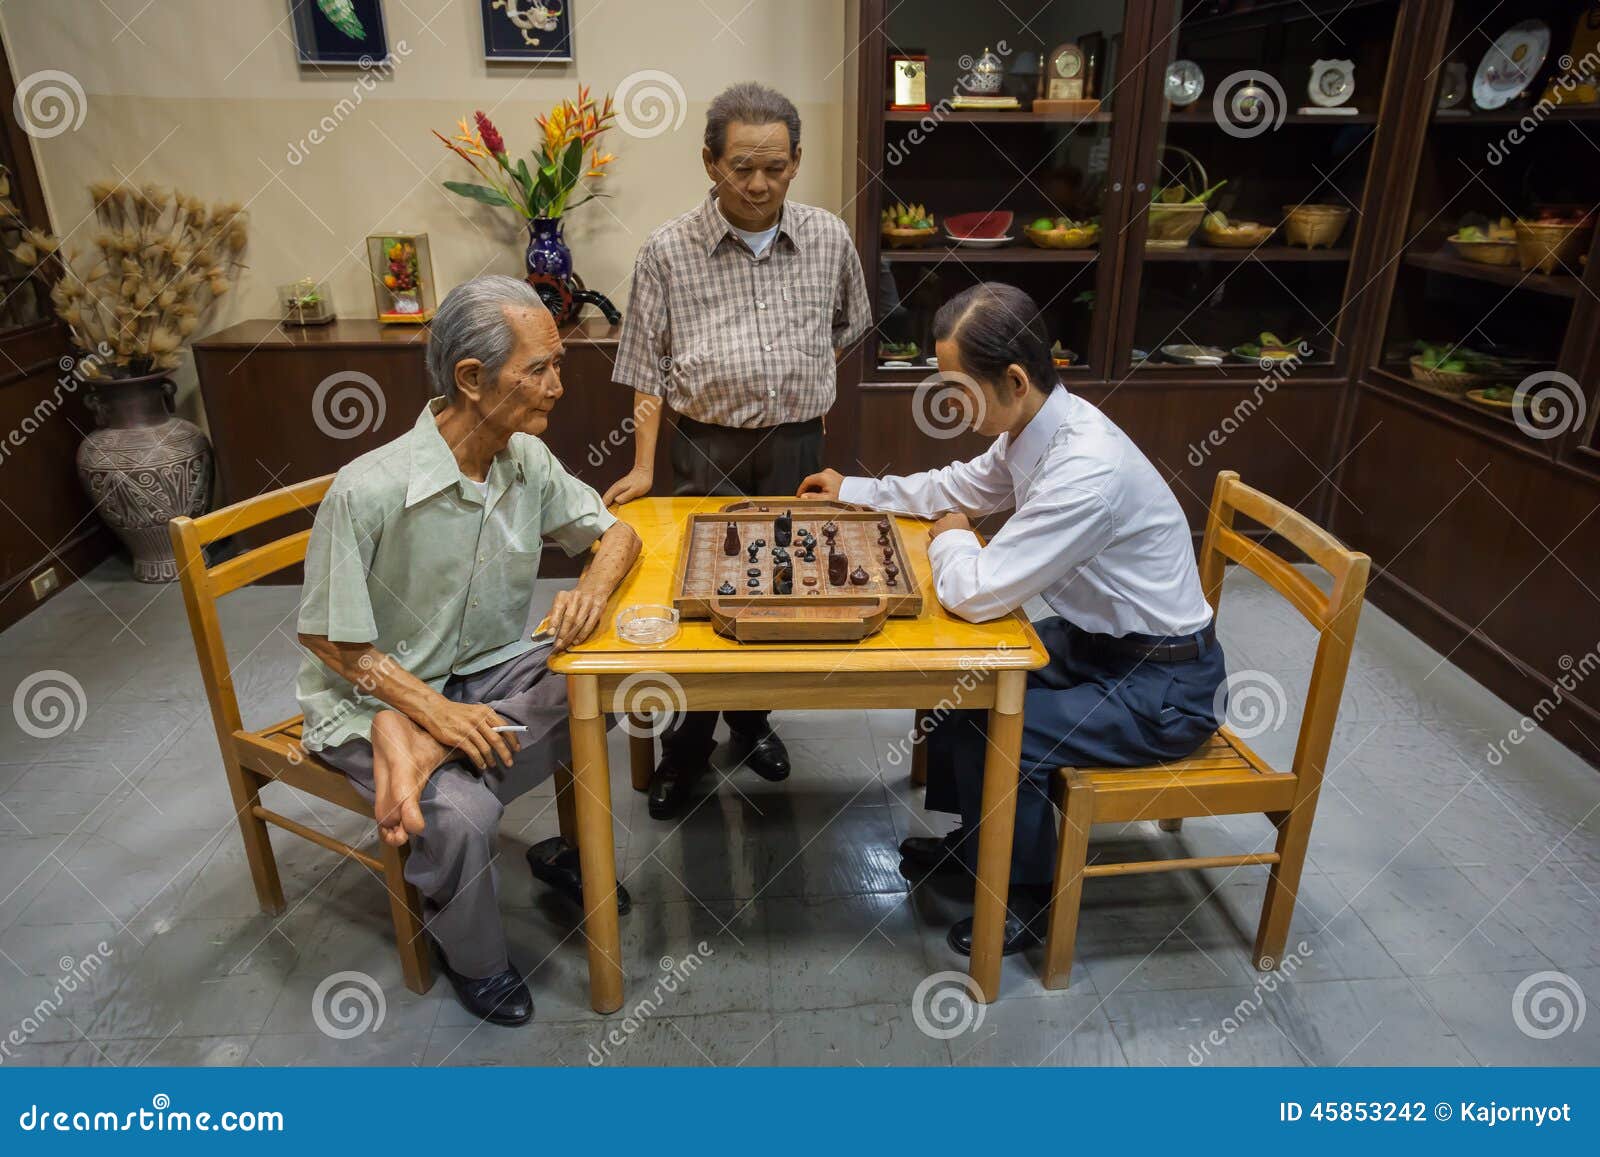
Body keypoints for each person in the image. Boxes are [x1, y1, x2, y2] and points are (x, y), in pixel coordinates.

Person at [799, 283, 1227, 955]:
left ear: (1016, 379)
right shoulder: (1038, 423)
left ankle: (1021, 897)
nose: (948, 402)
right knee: (966, 680)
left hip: (1163, 689)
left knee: (1009, 732)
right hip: (1101, 648)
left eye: (958, 387)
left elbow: (977, 591)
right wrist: (856, 491)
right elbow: (960, 488)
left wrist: (951, 535)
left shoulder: (1087, 468)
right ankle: (978, 843)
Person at [295, 275, 641, 1026]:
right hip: (370, 699)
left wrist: (593, 590)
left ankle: (419, 753)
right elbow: (325, 633)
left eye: (558, 364)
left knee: (606, 680)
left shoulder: (526, 460)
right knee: (461, 818)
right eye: (540, 367)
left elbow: (618, 532)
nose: (559, 383)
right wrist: (423, 708)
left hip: (483, 672)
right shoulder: (368, 489)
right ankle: (477, 960)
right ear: (473, 379)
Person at [604, 81, 872, 819]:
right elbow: (645, 369)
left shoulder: (828, 238)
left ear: (796, 162)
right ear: (709, 163)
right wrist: (642, 467)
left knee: (782, 590)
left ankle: (754, 722)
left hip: (796, 444)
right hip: (703, 446)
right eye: (741, 167)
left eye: (776, 167)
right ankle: (684, 751)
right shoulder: (666, 250)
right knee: (700, 597)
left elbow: (848, 325)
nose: (759, 184)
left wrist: (790, 387)